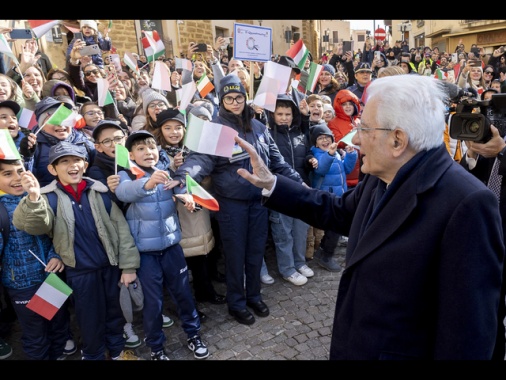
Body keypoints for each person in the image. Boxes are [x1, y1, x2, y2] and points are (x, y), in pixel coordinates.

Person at [234, 74, 504, 360]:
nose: (356, 139)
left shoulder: (467, 204)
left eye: (364, 128)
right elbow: (337, 211)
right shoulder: (381, 175)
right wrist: (272, 183)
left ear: (397, 140)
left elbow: (467, 338)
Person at [171, 75, 302, 326]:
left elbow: (276, 162)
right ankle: (236, 303)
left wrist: (299, 182)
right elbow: (199, 160)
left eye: (239, 97)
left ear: (245, 99)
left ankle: (253, 295)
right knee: (235, 256)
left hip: (259, 201)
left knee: (255, 252)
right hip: (232, 204)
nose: (235, 102)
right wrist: (183, 177)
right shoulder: (216, 128)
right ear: (222, 100)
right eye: (229, 98)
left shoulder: (259, 128)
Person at [13, 141, 142, 360]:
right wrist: (33, 197)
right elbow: (36, 226)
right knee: (90, 320)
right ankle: (93, 355)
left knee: (115, 314)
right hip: (79, 273)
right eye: (64, 161)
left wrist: (129, 266)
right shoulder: (47, 197)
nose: (72, 165)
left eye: (77, 160)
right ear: (53, 169)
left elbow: (122, 232)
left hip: (110, 268)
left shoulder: (99, 192)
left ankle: (119, 352)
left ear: (85, 164)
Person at [115, 131, 209, 360]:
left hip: (171, 248)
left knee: (184, 294)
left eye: (151, 148)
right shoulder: (126, 175)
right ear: (130, 154)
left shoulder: (167, 173)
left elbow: (183, 192)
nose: (148, 152)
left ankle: (193, 334)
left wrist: (188, 199)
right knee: (153, 303)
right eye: (141, 149)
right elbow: (123, 193)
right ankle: (156, 347)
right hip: (145, 255)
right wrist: (147, 183)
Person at [152, 108, 226, 311]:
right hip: (174, 213)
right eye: (168, 128)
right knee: (181, 264)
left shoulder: (194, 150)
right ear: (160, 130)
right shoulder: (156, 152)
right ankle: (185, 304)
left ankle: (205, 292)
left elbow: (207, 177)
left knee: (201, 254)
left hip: (196, 210)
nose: (174, 132)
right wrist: (173, 170)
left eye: (178, 128)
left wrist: (188, 170)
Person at [0, 157, 70, 360]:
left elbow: (55, 235)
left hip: (50, 278)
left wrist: (56, 256)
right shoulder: (2, 209)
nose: (16, 178)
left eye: (20, 171)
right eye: (7, 173)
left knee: (57, 328)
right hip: (22, 286)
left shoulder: (41, 198)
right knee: (36, 335)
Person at [266, 95, 314, 285]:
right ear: (273, 115)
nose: (284, 117)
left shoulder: (300, 133)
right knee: (283, 233)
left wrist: (310, 160)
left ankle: (299, 262)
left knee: (300, 231)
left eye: (288, 114)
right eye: (280, 114)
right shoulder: (268, 135)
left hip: (301, 189)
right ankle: (287, 269)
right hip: (280, 192)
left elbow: (307, 151)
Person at [308, 124, 357, 272]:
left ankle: (323, 251)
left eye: (327, 137)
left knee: (332, 228)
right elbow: (320, 170)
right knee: (333, 228)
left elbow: (347, 169)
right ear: (315, 142)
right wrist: (329, 155)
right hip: (327, 197)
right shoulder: (315, 155)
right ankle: (326, 257)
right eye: (320, 138)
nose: (324, 140)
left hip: (339, 195)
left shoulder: (336, 153)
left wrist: (350, 155)